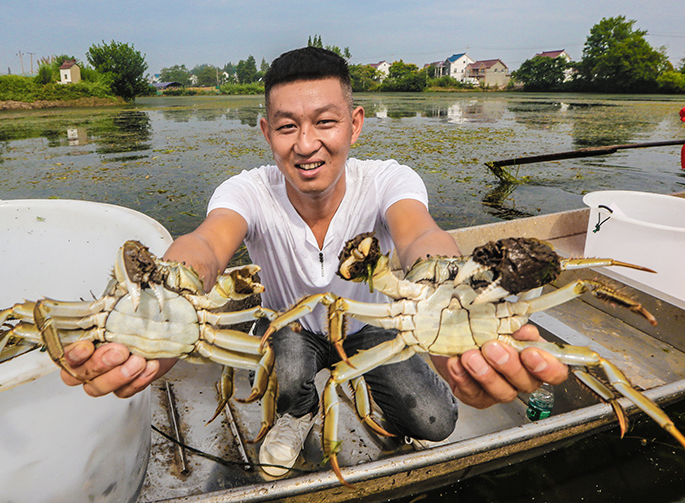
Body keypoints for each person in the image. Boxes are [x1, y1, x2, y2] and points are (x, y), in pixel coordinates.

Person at [59, 47, 568, 477]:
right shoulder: (247, 190)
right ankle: (297, 415)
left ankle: (388, 409)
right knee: (291, 378)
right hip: (292, 326)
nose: (306, 145)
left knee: (435, 422)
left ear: (355, 123)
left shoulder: (390, 180)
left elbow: (421, 236)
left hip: (376, 323)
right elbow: (208, 245)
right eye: (287, 127)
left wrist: (451, 303)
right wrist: (164, 302)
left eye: (325, 122)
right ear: (265, 131)